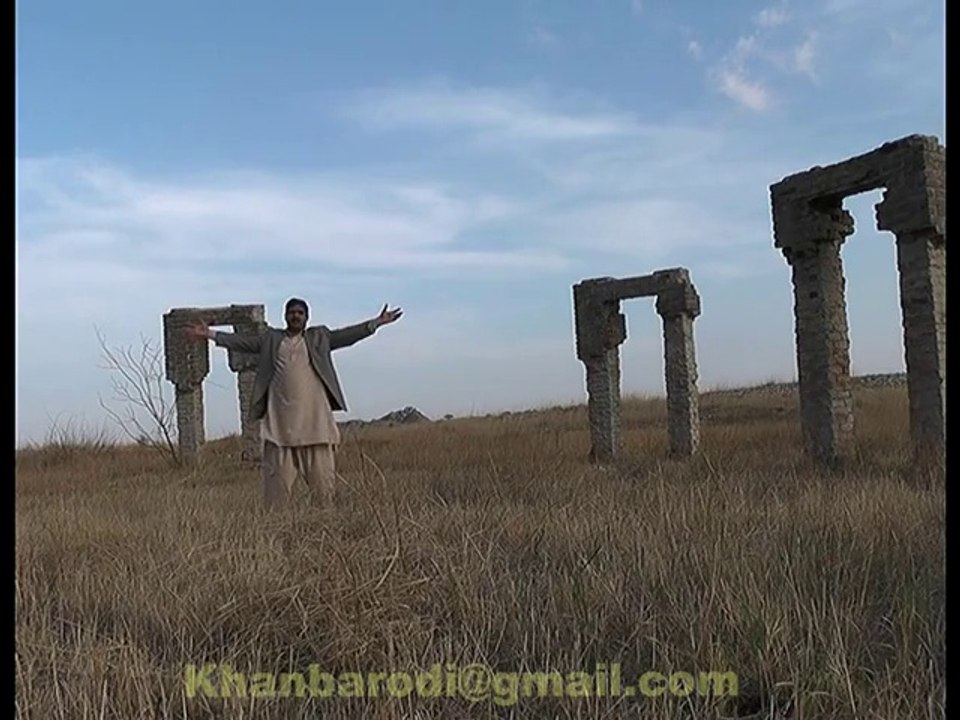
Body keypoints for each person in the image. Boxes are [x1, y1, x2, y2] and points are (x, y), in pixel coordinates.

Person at [185, 298, 402, 509]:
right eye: (291, 312)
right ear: (285, 316)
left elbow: (347, 335)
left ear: (307, 317)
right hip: (281, 432)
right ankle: (278, 537)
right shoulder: (271, 340)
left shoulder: (319, 337)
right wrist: (209, 334)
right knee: (276, 503)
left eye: (300, 313)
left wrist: (376, 323)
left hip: (315, 430)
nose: (295, 316)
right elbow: (243, 342)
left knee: (324, 496)